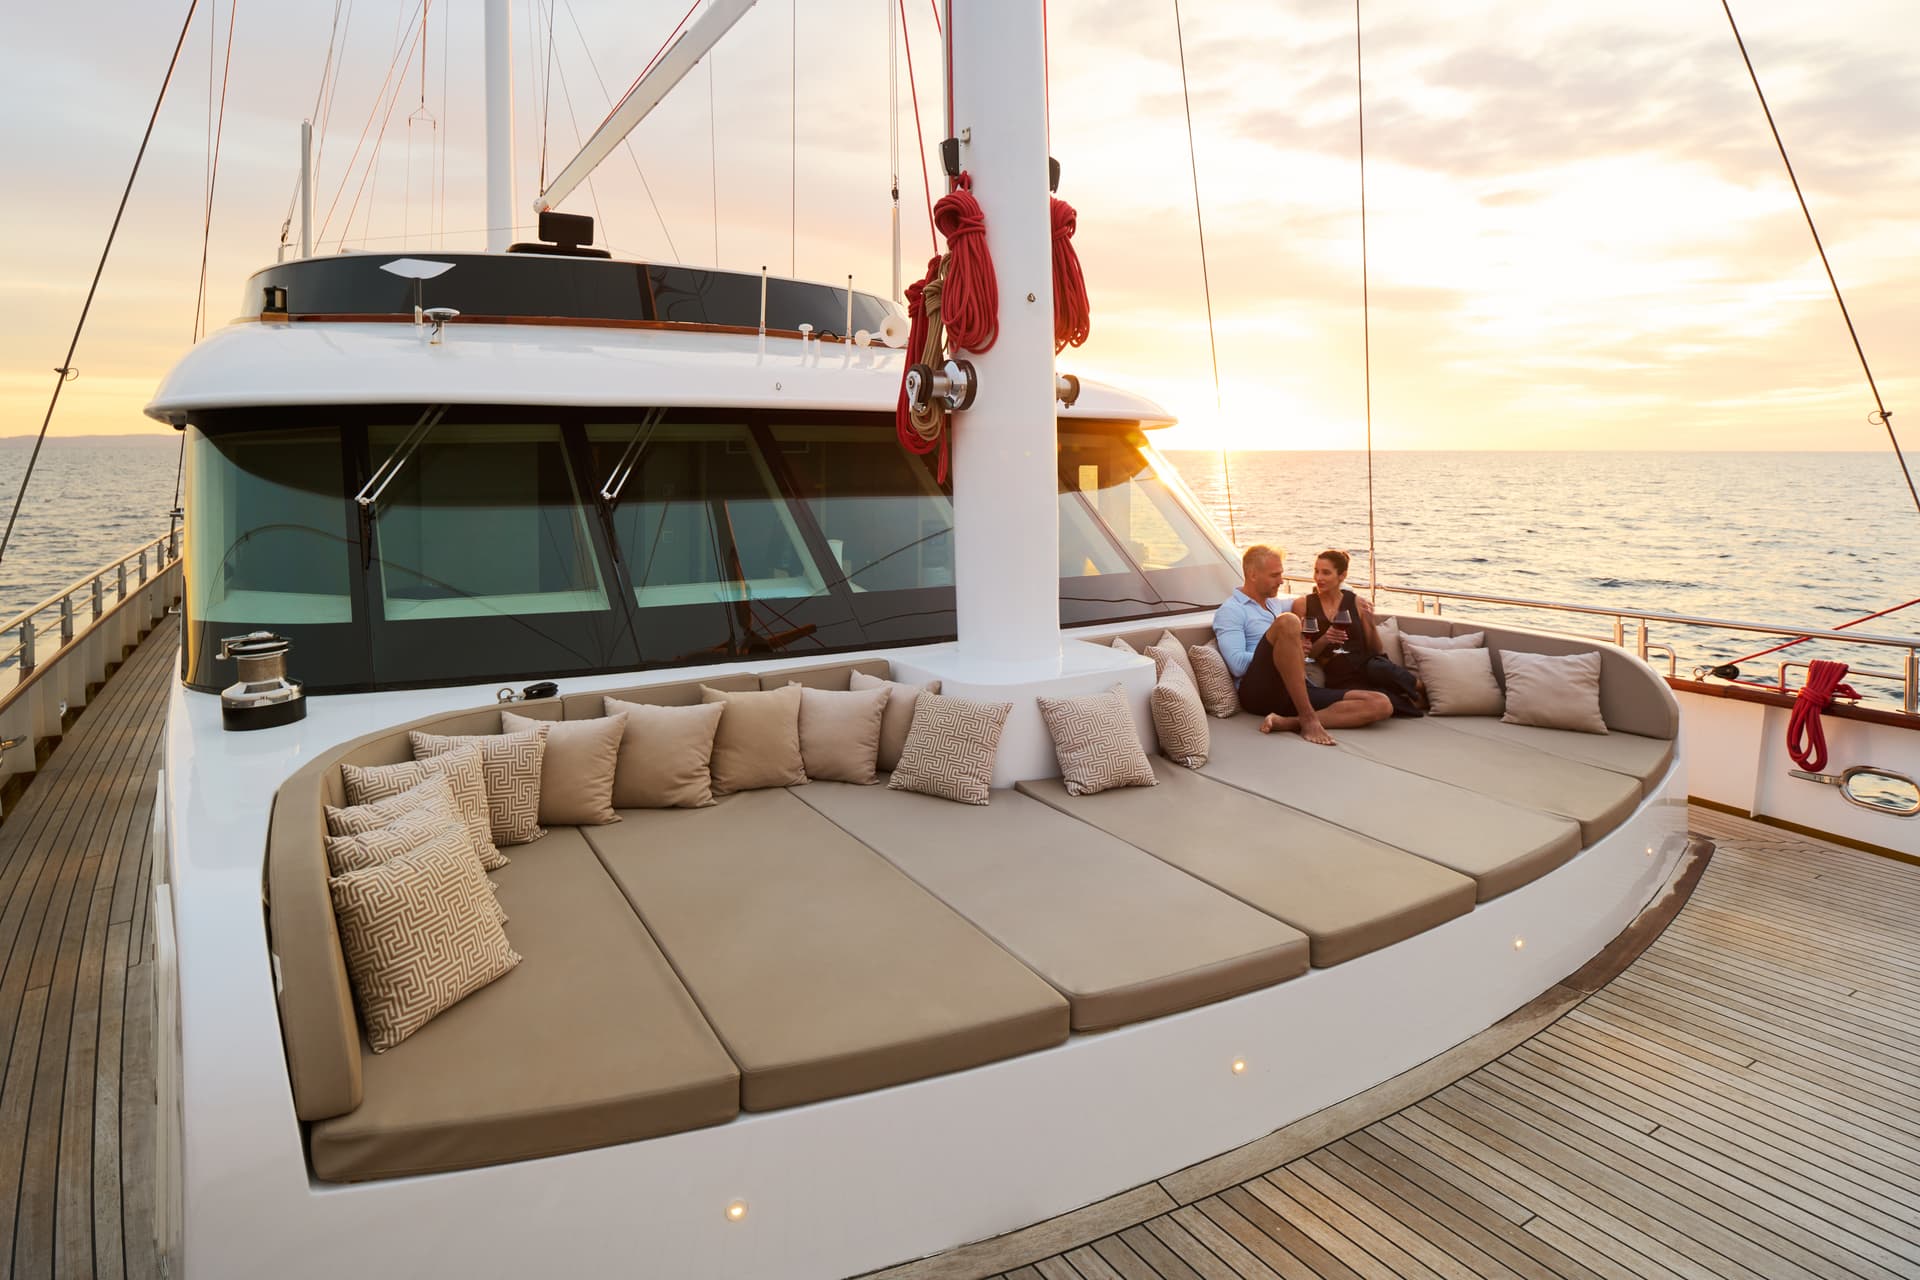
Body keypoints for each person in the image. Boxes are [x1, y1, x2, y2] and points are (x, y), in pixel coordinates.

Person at [1214, 545, 1392, 746]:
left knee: (1381, 704)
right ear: (1253, 575)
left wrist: (1356, 600)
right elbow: (1237, 664)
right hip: (1259, 691)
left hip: (1295, 687)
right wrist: (1286, 653)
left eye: (1281, 574)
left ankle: (1289, 722)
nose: (1281, 581)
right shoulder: (1231, 611)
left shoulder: (1273, 603)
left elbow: (1317, 598)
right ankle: (1308, 718)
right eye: (1275, 575)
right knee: (1289, 621)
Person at [1294, 549, 1425, 717]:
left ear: (1342, 576)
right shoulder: (1303, 604)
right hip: (1339, 673)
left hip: (1368, 664)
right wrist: (1326, 638)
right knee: (1388, 702)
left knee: (1379, 668)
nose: (1319, 578)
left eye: (1326, 573)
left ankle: (1425, 688)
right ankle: (1417, 700)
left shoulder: (1356, 602)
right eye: (1316, 571)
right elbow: (1306, 654)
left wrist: (1370, 622)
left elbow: (1376, 649)